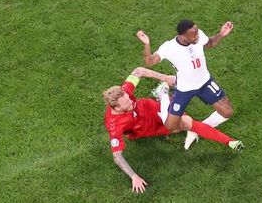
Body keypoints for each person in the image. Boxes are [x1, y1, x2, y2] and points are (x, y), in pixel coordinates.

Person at [103, 66, 243, 193]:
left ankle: (229, 142)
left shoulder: (124, 92)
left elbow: (139, 71)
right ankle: (165, 96)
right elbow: (117, 156)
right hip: (148, 129)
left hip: (151, 108)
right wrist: (134, 176)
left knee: (187, 122)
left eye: (128, 97)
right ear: (117, 108)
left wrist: (165, 77)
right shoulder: (114, 125)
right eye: (126, 103)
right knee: (182, 124)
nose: (130, 100)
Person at [136, 19, 234, 150]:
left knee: (227, 112)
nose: (197, 37)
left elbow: (209, 43)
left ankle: (196, 130)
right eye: (194, 35)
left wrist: (221, 34)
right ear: (183, 36)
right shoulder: (169, 47)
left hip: (205, 82)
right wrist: (147, 44)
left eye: (197, 33)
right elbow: (149, 62)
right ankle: (163, 94)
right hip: (184, 89)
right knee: (170, 126)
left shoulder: (198, 36)